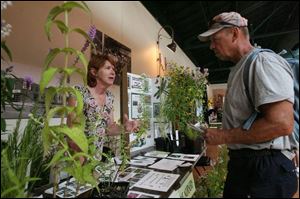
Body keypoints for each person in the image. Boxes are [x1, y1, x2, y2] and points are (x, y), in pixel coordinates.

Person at [198, 12, 298, 198]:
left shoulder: (262, 62)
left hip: (265, 169)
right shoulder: (241, 67)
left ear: (235, 33)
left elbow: (282, 124)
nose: (211, 46)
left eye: (215, 39)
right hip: (249, 166)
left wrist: (223, 136)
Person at [67, 53, 139, 161]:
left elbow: (109, 128)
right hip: (77, 161)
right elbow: (71, 131)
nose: (113, 72)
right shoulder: (78, 92)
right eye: (108, 68)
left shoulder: (109, 97)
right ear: (94, 72)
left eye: (113, 69)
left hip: (96, 159)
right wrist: (81, 161)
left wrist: (124, 128)